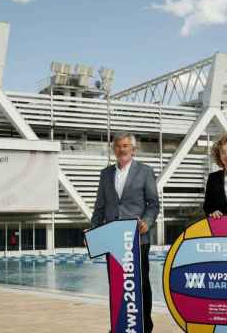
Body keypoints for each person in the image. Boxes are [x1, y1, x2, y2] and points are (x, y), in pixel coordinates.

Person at [90, 132, 159, 333]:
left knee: (141, 285)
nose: (122, 149)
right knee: (117, 285)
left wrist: (147, 221)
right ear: (114, 149)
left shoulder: (145, 171)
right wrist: (93, 229)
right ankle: (119, 326)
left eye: (126, 146)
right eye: (119, 146)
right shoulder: (105, 174)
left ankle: (145, 326)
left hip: (138, 239)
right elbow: (99, 207)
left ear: (133, 149)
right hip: (113, 239)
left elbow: (153, 204)